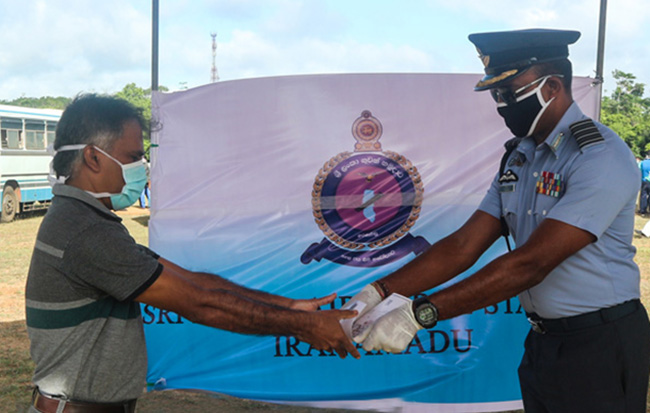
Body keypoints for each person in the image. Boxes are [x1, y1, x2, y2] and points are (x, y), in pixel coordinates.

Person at [344, 29, 650, 412]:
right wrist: (380, 291)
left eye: (509, 94)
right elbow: (462, 246)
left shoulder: (599, 157)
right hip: (543, 341)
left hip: (601, 343)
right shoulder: (520, 158)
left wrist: (417, 315)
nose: (501, 106)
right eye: (495, 95)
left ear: (552, 86)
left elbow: (530, 263)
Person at [25, 94, 360, 413]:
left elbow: (197, 283)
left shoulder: (88, 220)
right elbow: (199, 304)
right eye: (132, 158)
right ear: (93, 157)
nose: (142, 169)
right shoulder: (86, 232)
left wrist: (289, 306)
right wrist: (303, 326)